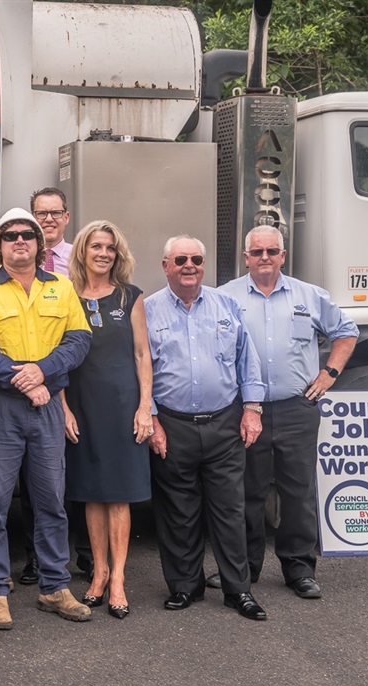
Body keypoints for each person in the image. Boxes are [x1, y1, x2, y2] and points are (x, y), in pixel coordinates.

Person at [0, 207, 93, 629]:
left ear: (40, 245)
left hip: (47, 405)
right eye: (11, 235)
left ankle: (55, 586)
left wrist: (44, 372)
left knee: (52, 501)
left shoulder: (62, 288)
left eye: (28, 235)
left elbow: (79, 341)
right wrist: (27, 380)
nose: (20, 241)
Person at [215, 225, 358, 599]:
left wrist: (329, 374)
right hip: (245, 409)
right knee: (246, 491)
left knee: (298, 491)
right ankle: (244, 567)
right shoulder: (224, 297)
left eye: (272, 251)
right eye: (257, 252)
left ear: (283, 255)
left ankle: (299, 568)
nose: (265, 257)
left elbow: (346, 331)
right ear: (245, 258)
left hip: (297, 407)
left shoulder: (309, 295)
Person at [146, 235, 268, 621]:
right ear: (165, 264)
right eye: (180, 258)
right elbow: (140, 369)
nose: (189, 265)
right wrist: (151, 420)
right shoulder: (147, 311)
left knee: (230, 511)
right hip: (173, 424)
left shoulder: (226, 305)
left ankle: (238, 590)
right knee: (178, 512)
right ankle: (185, 587)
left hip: (224, 424)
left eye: (196, 259)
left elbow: (247, 359)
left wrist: (252, 409)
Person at [59, 221, 153, 620]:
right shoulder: (64, 295)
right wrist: (62, 409)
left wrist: (145, 406)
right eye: (96, 246)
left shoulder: (130, 296)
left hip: (122, 405)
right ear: (82, 251)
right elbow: (57, 356)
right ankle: (97, 574)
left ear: (118, 254)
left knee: (119, 494)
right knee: (90, 492)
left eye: (110, 248)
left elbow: (142, 354)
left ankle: (117, 579)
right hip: (80, 405)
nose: (103, 253)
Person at [17, 187, 93, 584]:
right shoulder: (17, 260)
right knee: (37, 474)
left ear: (66, 217)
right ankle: (36, 556)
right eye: (39, 214)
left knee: (77, 466)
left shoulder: (79, 263)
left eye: (54, 213)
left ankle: (84, 552)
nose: (46, 220)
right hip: (32, 380)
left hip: (76, 373)